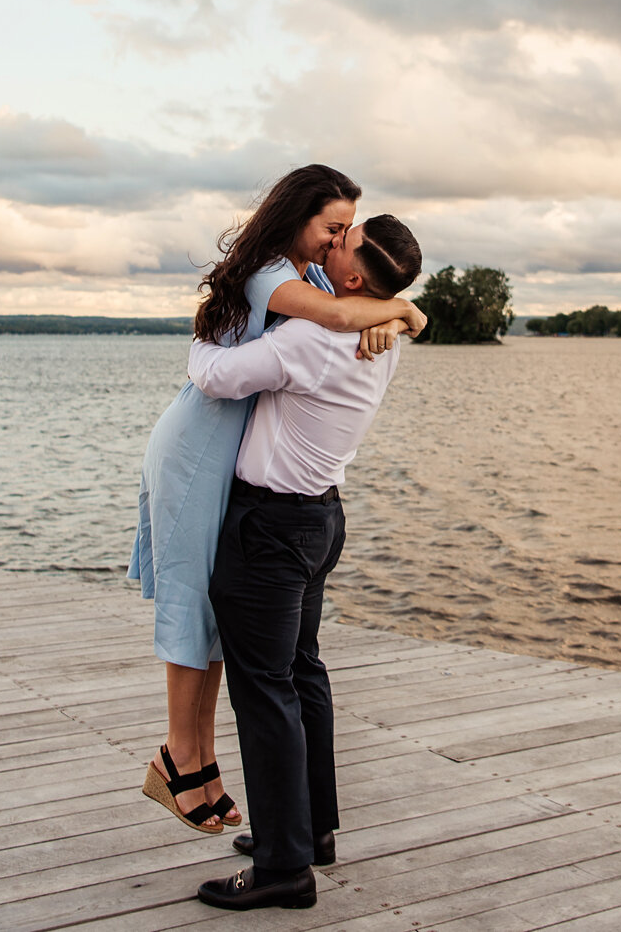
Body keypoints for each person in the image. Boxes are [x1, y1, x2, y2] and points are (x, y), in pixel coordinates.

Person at [129, 167, 426, 835]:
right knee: (190, 596)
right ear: (297, 217)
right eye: (334, 226)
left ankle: (199, 762)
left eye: (346, 229)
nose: (339, 238)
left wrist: (391, 310)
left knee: (217, 607)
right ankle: (182, 759)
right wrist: (400, 308)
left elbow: (351, 302)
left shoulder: (318, 273)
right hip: (200, 439)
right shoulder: (271, 270)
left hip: (234, 444)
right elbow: (340, 315)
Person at [185, 214, 423, 911]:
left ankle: (284, 865)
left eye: (338, 242)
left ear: (351, 278)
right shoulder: (379, 333)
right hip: (320, 519)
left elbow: (215, 376)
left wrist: (206, 334)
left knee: (264, 690)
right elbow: (375, 306)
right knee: (301, 672)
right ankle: (311, 829)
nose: (325, 244)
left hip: (272, 526)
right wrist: (401, 309)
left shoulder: (312, 336)